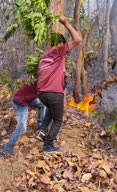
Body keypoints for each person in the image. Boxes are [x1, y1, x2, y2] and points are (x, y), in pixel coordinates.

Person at [35, 15, 81, 152]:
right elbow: (78, 39)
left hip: (42, 93)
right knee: (58, 120)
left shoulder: (42, 58)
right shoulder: (58, 52)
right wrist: (66, 22)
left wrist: (64, 76)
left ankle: (42, 131)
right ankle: (48, 145)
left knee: (51, 110)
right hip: (53, 93)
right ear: (60, 44)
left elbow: (49, 74)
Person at [2, 76, 46, 156]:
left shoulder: (37, 73)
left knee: (43, 105)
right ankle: (7, 149)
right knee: (22, 128)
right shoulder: (41, 82)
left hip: (27, 98)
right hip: (20, 103)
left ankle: (39, 128)